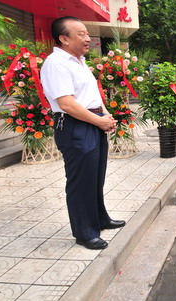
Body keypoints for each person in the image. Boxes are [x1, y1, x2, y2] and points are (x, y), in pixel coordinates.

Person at [40, 16, 125, 250]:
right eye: (81, 34)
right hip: (75, 125)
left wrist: (105, 115)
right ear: (64, 39)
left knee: (95, 177)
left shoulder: (79, 62)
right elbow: (67, 104)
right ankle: (85, 232)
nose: (87, 38)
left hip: (93, 121)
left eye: (87, 33)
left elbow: (92, 95)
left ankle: (100, 219)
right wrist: (99, 121)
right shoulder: (56, 63)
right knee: (80, 182)